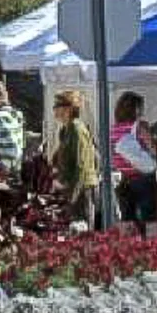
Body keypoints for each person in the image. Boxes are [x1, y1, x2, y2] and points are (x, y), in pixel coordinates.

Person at [110, 92, 157, 230]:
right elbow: (154, 148)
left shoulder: (114, 129)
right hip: (143, 177)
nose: (142, 111)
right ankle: (154, 249)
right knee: (150, 219)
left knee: (127, 220)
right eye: (141, 107)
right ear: (135, 108)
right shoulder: (139, 127)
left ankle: (129, 249)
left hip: (124, 179)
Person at [53, 90, 100, 225]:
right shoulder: (65, 130)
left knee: (83, 227)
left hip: (82, 187)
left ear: (69, 109)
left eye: (58, 106)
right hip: (70, 187)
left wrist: (74, 194)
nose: (55, 110)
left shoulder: (77, 128)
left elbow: (82, 164)